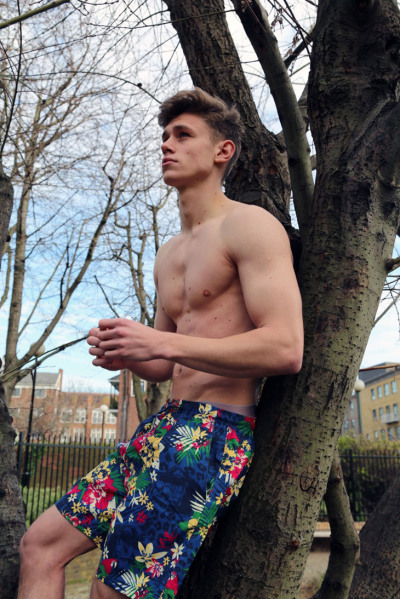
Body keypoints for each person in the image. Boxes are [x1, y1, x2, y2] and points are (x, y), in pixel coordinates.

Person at [18, 88, 303, 599]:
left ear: (223, 151)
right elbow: (163, 362)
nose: (167, 145)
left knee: (114, 591)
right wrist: (129, 352)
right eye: (166, 136)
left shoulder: (251, 226)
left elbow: (285, 348)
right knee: (39, 546)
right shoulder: (168, 252)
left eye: (183, 135)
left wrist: (160, 344)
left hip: (212, 433)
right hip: (162, 426)